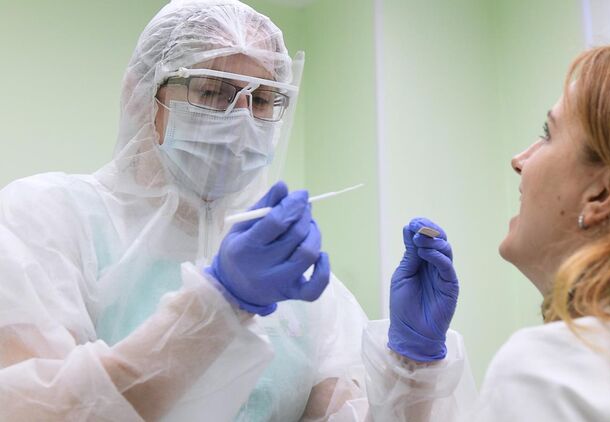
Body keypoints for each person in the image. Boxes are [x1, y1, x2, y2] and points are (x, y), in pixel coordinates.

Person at [0, 0, 475, 420]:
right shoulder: (49, 219)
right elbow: (35, 409)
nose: (242, 121)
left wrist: (411, 367)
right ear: (142, 94)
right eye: (212, 91)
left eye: (263, 99)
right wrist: (219, 306)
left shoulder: (294, 280)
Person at [385, 46, 610, 421]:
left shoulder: (552, 375)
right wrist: (415, 369)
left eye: (547, 134)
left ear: (601, 194)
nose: (519, 161)